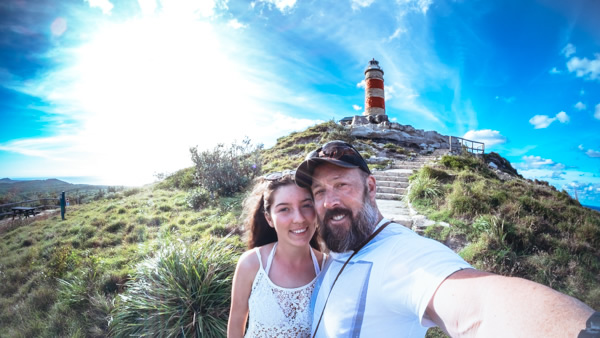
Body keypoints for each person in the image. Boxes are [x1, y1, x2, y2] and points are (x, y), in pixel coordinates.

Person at [294, 140, 597, 338]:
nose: (329, 201)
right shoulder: (338, 245)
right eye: (319, 191)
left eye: (341, 185)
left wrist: (582, 330)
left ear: (371, 187)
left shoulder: (402, 254)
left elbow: (479, 307)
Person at [228, 170, 327, 338]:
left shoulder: (328, 268)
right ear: (269, 218)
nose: (299, 218)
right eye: (284, 209)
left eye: (306, 205)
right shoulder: (252, 264)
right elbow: (237, 322)